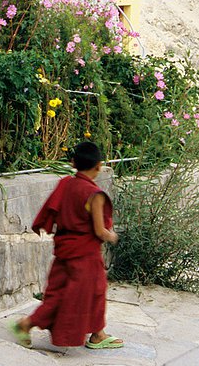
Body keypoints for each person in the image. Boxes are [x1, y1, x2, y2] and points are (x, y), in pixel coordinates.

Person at [9, 141, 123, 350]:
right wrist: (113, 236)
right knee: (90, 293)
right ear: (98, 166)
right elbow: (99, 231)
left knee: (59, 293)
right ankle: (26, 324)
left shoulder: (66, 184)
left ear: (73, 163)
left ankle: (98, 332)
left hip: (64, 249)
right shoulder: (94, 195)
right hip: (85, 254)